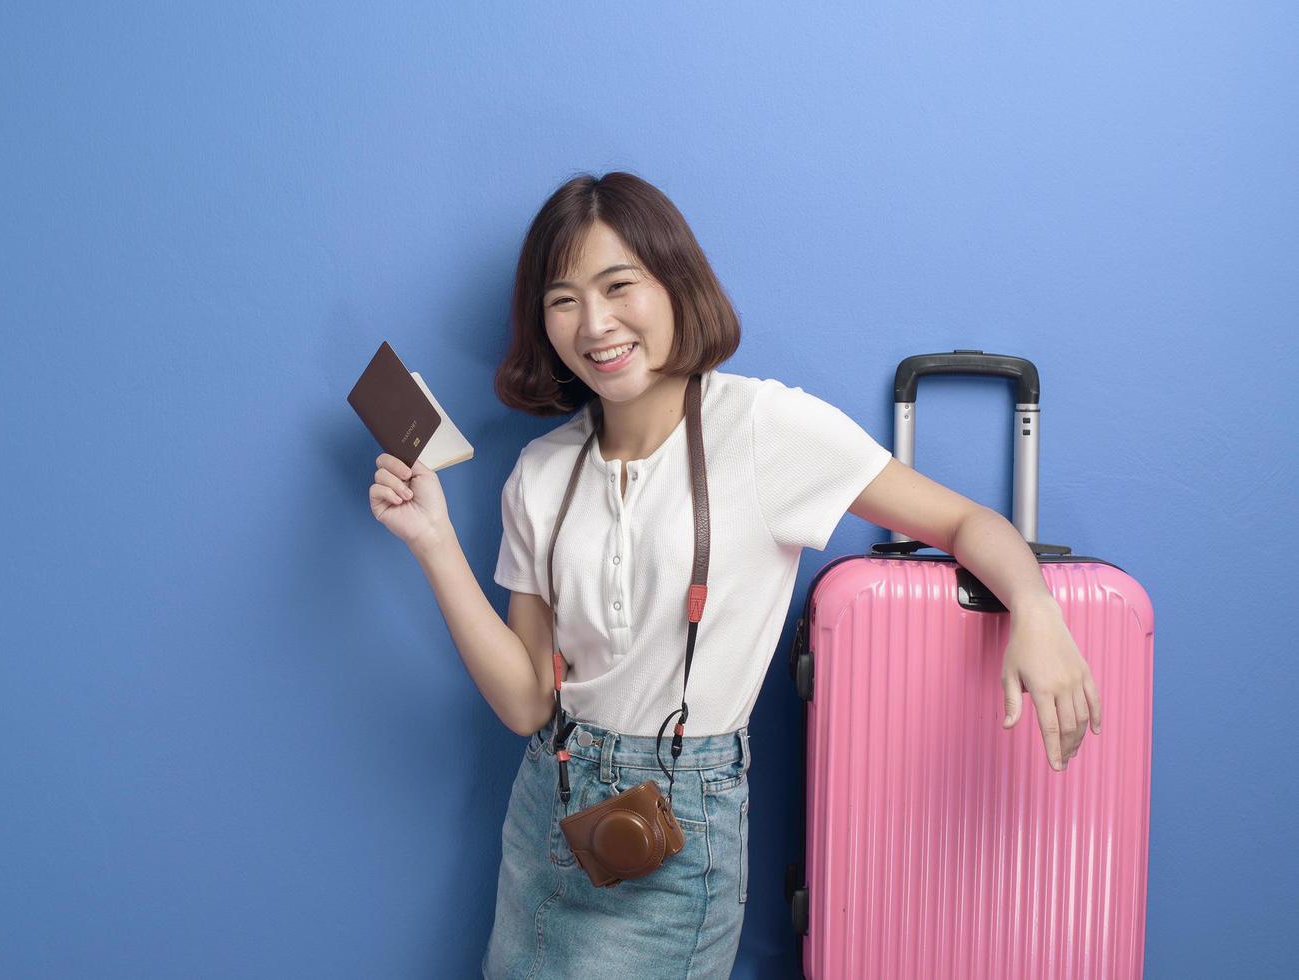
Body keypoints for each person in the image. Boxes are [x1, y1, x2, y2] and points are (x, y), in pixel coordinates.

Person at [368, 172, 1101, 979]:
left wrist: (1034, 606)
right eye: (564, 298)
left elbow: (966, 522)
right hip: (549, 807)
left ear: (675, 285)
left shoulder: (762, 428)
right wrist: (433, 541)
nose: (596, 323)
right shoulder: (540, 473)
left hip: (679, 822)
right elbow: (525, 702)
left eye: (620, 286)